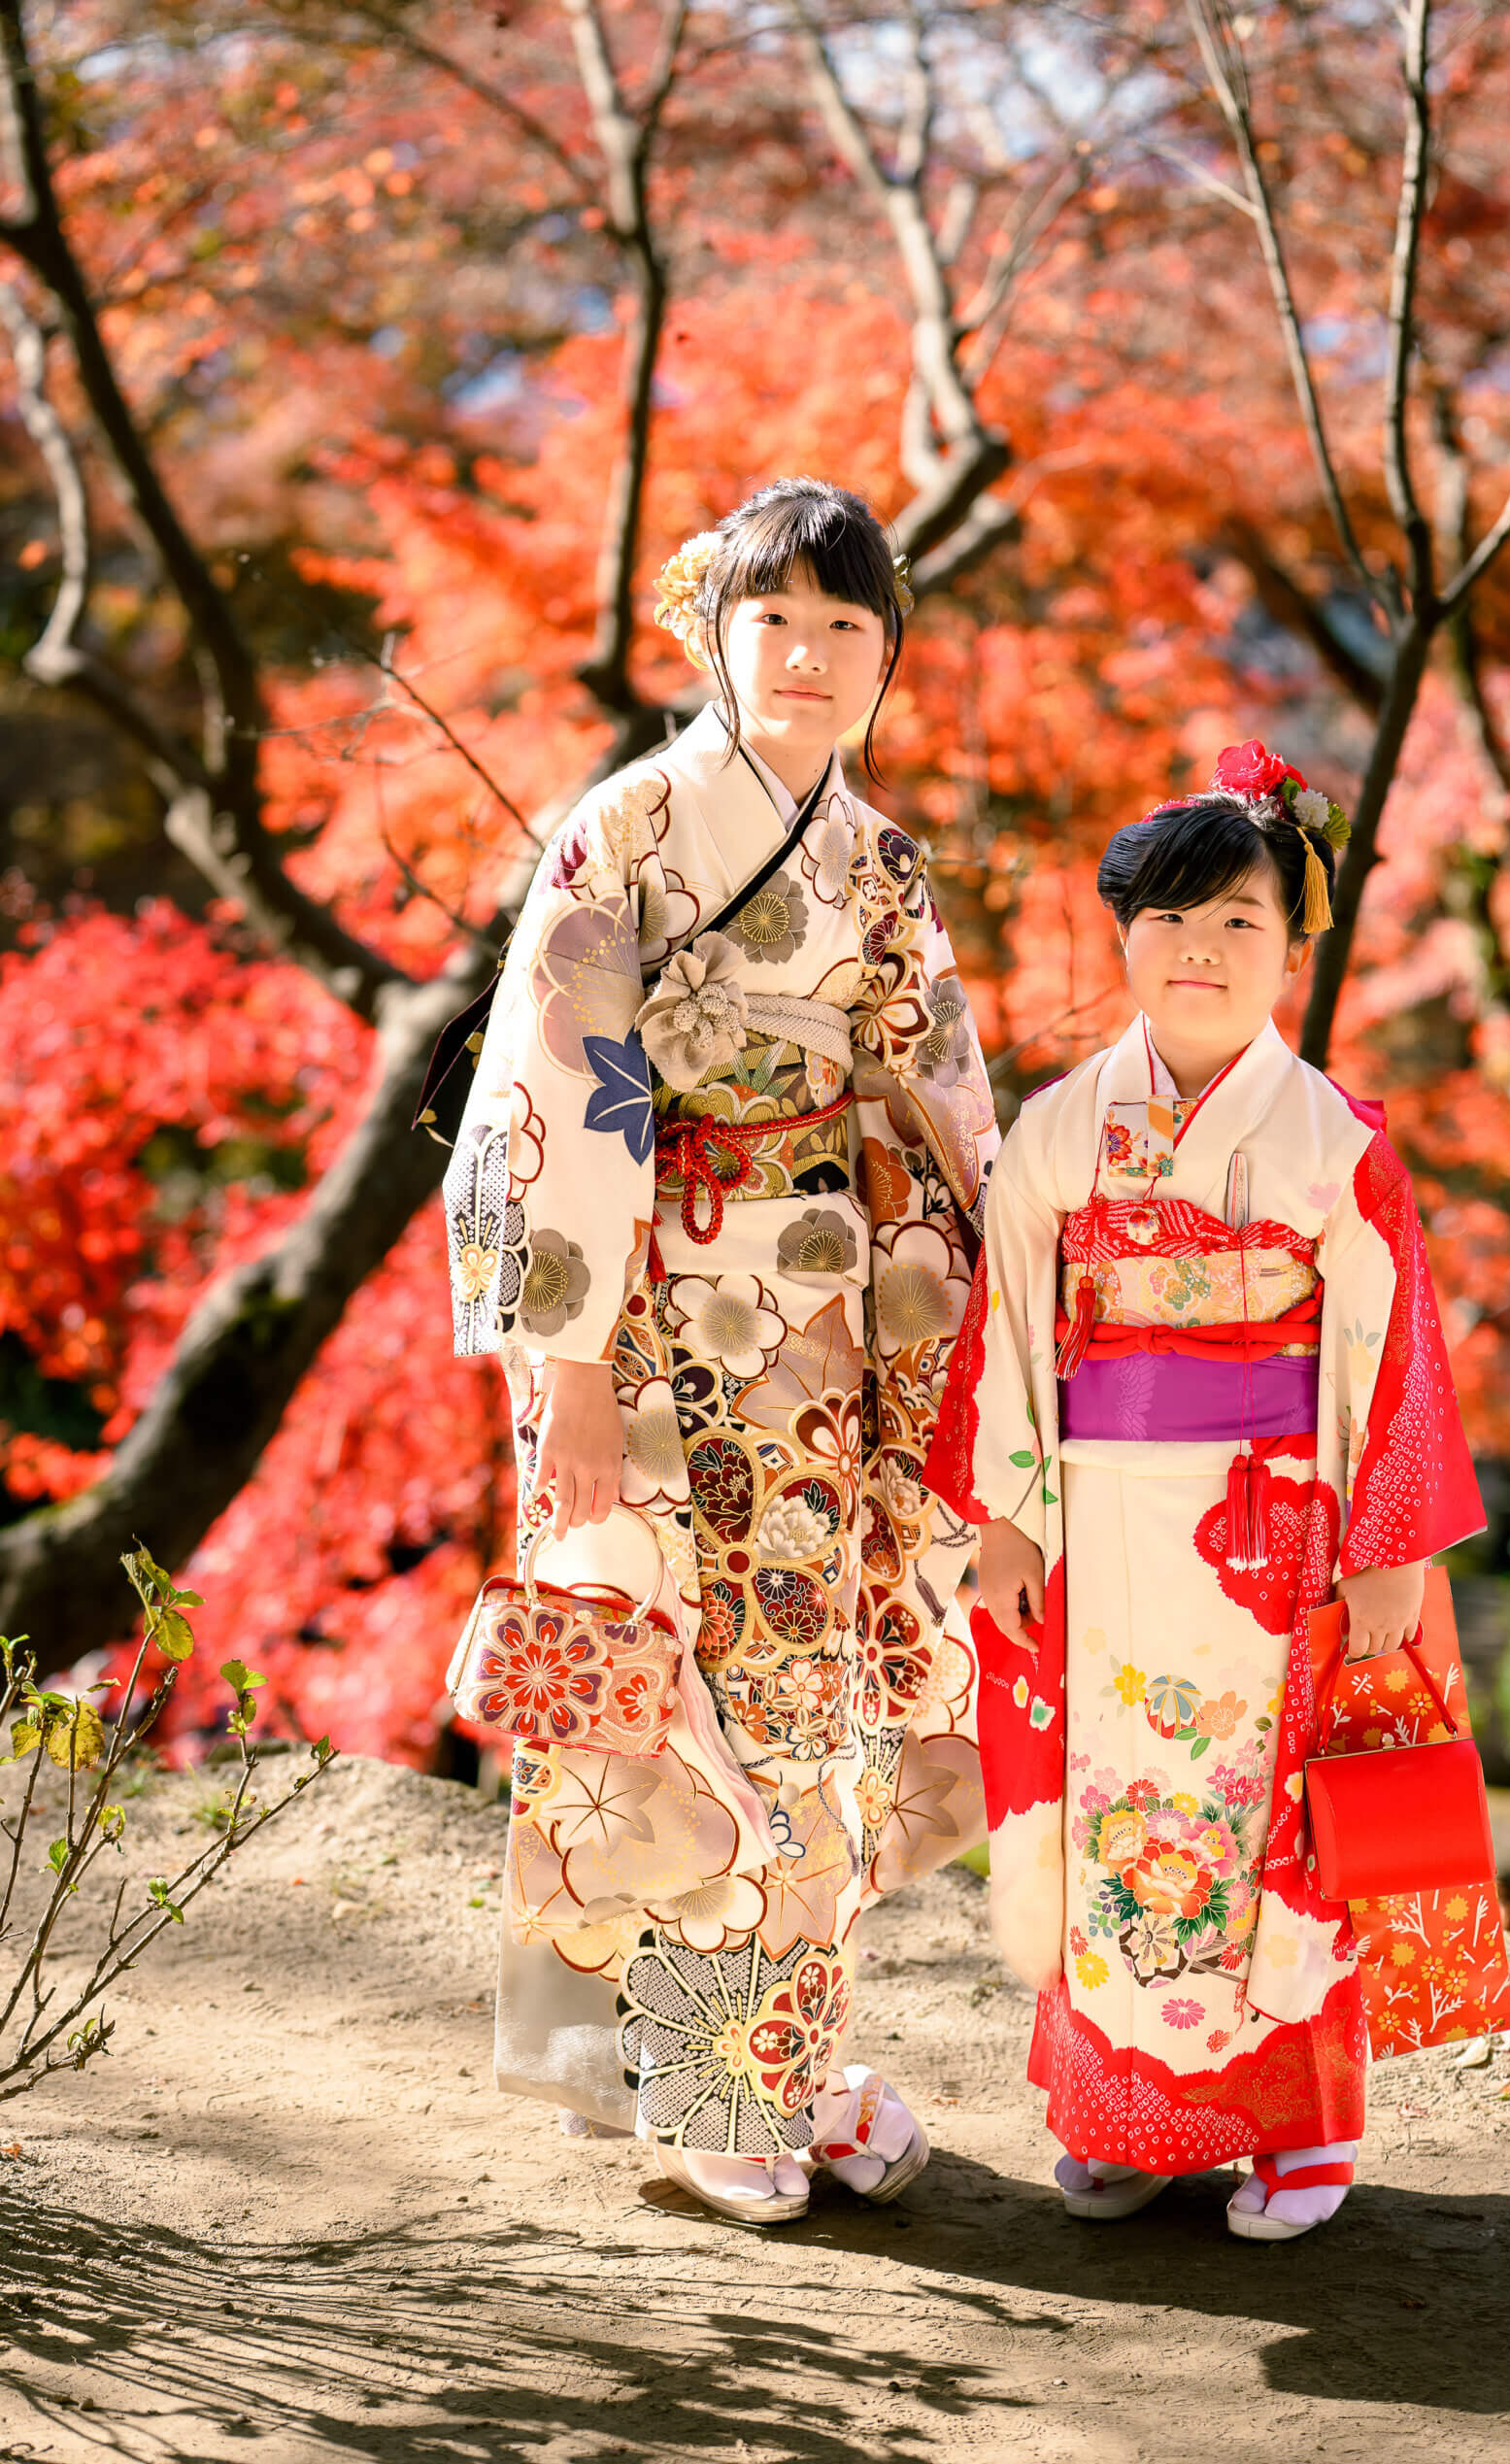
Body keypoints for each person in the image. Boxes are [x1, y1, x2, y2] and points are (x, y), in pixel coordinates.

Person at [443, 477, 998, 2224]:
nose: (816, 657)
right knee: (660, 1686)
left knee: (811, 1693)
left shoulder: (881, 864)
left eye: (852, 628)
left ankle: (789, 2053)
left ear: (889, 660)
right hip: (653, 1324)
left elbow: (946, 1105)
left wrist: (991, 1330)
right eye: (781, 621)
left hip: (829, 1341)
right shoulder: (621, 833)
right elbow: (549, 1102)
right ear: (711, 631)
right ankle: (688, 2081)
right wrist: (576, 1372)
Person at [928, 741, 1505, 2241]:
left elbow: (1400, 1360)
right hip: (1106, 1523)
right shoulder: (1060, 1133)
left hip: (1280, 1527)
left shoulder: (1335, 1140)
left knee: (1273, 1819)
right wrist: (1000, 1518)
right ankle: (1131, 2119)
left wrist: (1390, 1549)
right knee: (1122, 1802)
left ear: (1292, 950)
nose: (1201, 950)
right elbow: (1005, 1324)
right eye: (1171, 921)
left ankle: (1298, 2134)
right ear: (1123, 936)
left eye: (1240, 921)